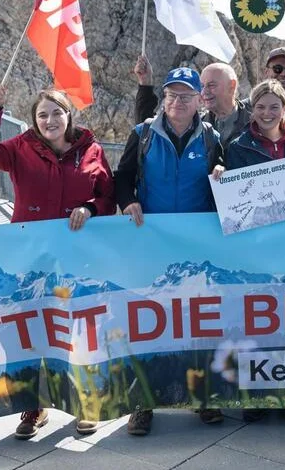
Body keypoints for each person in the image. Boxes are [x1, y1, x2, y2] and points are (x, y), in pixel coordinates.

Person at [0, 85, 115, 438]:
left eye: (56, 112)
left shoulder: (91, 149)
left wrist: (90, 208)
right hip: (28, 259)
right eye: (42, 115)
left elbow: (107, 194)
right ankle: (33, 405)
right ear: (35, 121)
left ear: (69, 115)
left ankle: (86, 402)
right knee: (31, 330)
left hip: (75, 257)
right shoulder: (21, 147)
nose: (50, 120)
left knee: (77, 328)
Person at [113, 67, 225, 436]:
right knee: (149, 325)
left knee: (198, 323)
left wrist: (223, 173)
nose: (179, 102)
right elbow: (122, 178)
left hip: (196, 248)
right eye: (172, 95)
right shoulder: (143, 134)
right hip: (151, 246)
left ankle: (203, 396)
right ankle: (143, 403)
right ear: (164, 98)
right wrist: (128, 202)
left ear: (199, 101)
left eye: (186, 96)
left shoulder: (211, 139)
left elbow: (221, 184)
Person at [210, 79, 285, 423]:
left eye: (274, 106)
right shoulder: (238, 145)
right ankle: (255, 394)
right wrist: (222, 172)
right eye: (261, 107)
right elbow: (231, 192)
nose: (267, 113)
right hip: (257, 244)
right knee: (257, 319)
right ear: (253, 109)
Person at [133, 56, 251, 146]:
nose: (204, 92)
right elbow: (150, 131)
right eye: (202, 86)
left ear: (232, 85)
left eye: (211, 85)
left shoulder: (257, 123)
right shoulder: (197, 125)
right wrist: (145, 84)